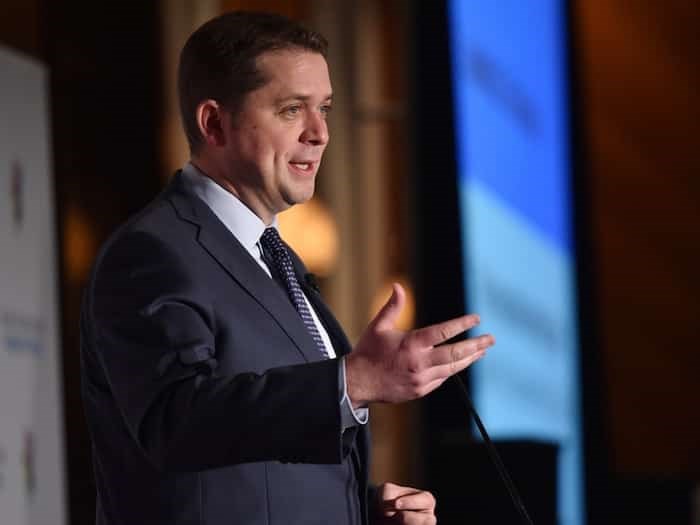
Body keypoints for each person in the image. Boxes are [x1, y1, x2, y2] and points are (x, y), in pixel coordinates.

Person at [80, 11, 494, 525]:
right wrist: (353, 381)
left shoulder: (277, 259)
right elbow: (177, 422)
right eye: (292, 109)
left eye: (324, 108)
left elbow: (252, 477)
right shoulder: (153, 253)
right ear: (214, 123)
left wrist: (362, 512)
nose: (320, 133)